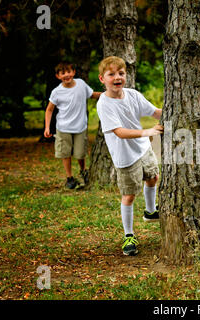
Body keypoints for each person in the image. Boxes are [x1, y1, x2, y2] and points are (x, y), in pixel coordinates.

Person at [96, 56, 163, 256]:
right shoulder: (104, 103)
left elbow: (154, 112)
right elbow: (119, 132)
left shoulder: (133, 95)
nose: (117, 77)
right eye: (111, 74)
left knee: (153, 177)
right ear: (102, 79)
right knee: (129, 195)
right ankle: (129, 236)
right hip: (125, 156)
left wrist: (177, 112)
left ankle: (150, 211)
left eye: (121, 73)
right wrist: (147, 132)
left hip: (143, 148)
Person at [44, 61, 101, 189]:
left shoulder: (81, 84)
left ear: (74, 72)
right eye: (62, 73)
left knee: (80, 153)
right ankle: (69, 178)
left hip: (80, 127)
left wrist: (106, 95)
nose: (66, 75)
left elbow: (92, 95)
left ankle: (83, 171)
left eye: (69, 71)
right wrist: (47, 127)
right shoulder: (57, 92)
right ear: (58, 76)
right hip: (63, 128)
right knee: (65, 153)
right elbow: (49, 110)